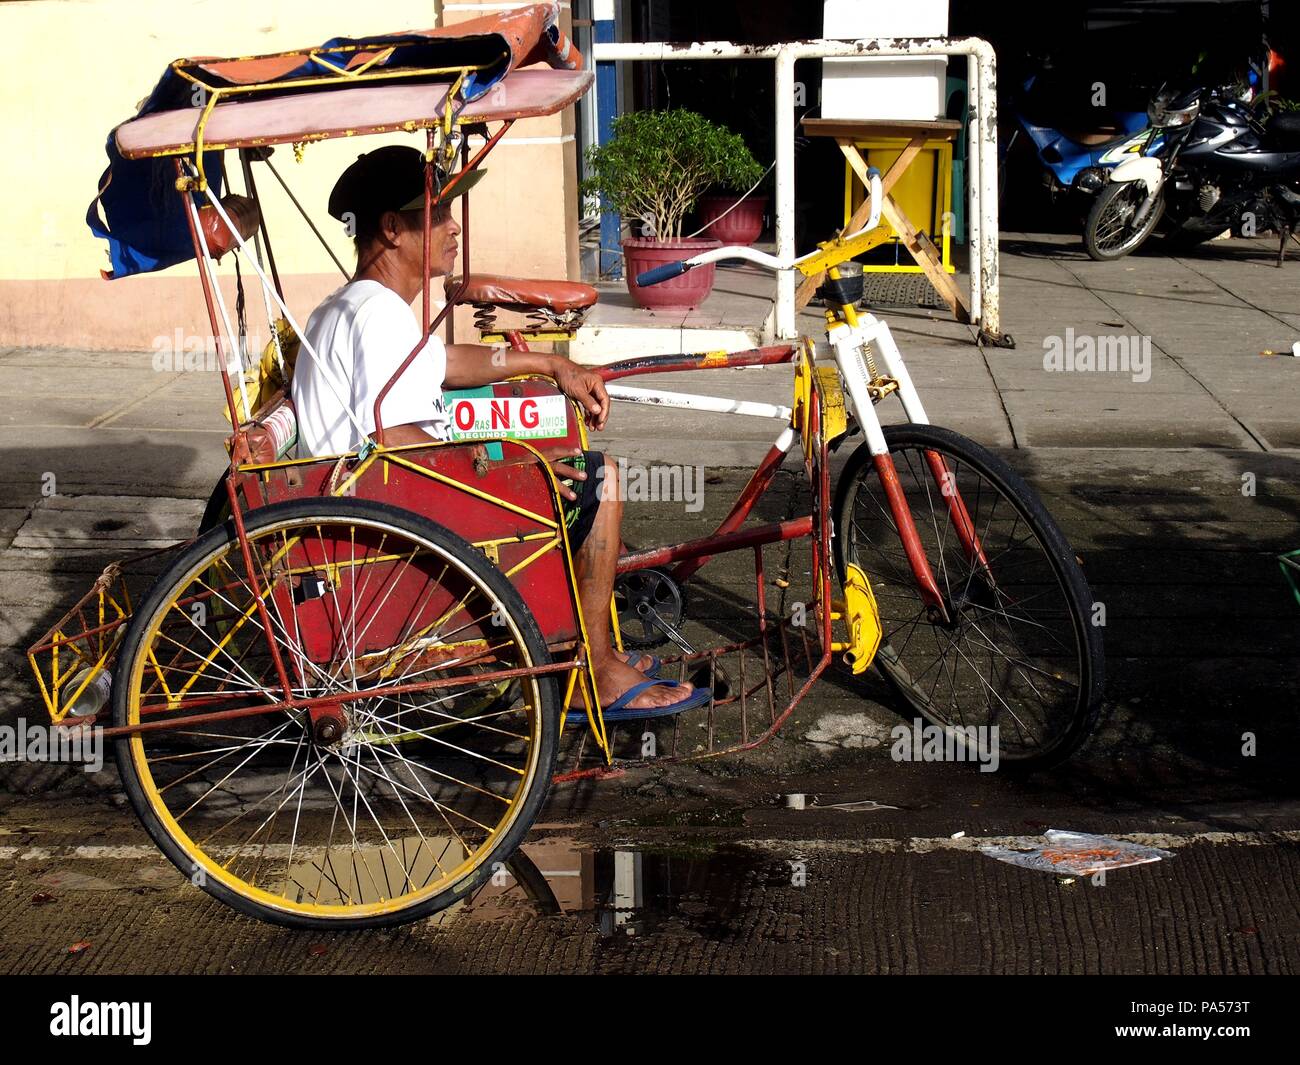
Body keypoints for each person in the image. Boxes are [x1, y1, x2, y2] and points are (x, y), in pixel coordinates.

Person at [292, 146, 707, 720]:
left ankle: (594, 656)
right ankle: (596, 667)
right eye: (435, 215)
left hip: (362, 514)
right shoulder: (379, 315)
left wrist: (550, 365)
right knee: (596, 478)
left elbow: (442, 362)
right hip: (390, 521)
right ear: (392, 229)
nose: (452, 227)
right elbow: (389, 442)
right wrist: (498, 468)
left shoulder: (348, 308)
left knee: (560, 470)